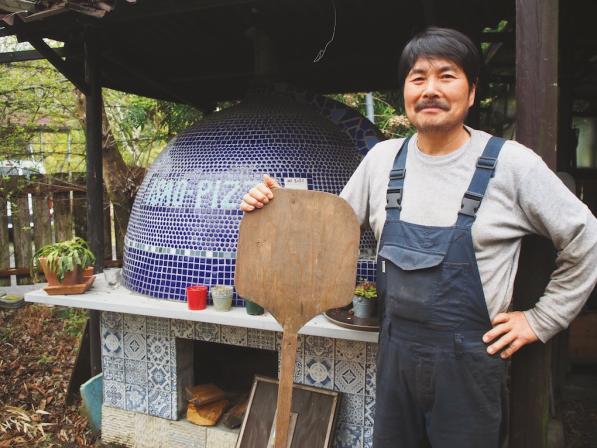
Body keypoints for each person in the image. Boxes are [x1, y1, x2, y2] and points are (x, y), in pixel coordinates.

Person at [239, 27, 597, 448]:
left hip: (470, 367)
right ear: (406, 90)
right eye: (418, 77)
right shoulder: (381, 161)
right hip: (396, 359)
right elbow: (322, 237)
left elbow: (585, 236)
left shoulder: (511, 164)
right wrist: (272, 208)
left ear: (472, 92)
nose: (431, 89)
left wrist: (543, 319)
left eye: (447, 76)